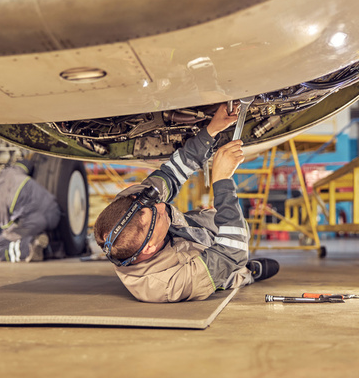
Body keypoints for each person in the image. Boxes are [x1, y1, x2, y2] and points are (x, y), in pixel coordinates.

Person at [93, 103, 279, 303]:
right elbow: (233, 253)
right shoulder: (166, 285)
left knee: (226, 225)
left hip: (190, 234)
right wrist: (221, 180)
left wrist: (210, 131)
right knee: (233, 265)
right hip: (214, 263)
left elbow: (172, 172)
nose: (162, 205)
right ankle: (249, 273)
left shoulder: (132, 205)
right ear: (148, 248)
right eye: (156, 214)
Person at [0, 159, 60, 262]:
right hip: (53, 206)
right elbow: (27, 163)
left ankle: (33, 247)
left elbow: (9, 228)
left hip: (40, 221)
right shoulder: (7, 173)